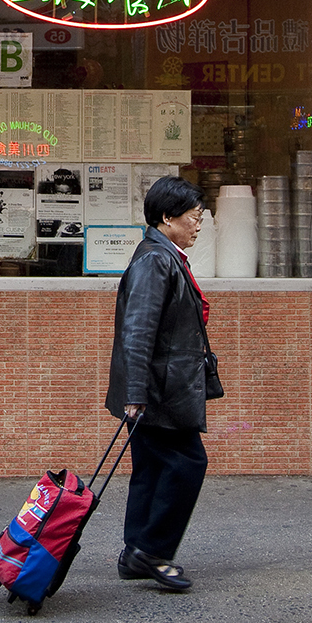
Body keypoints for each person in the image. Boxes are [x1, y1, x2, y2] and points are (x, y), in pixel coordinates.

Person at [105, 175, 214, 592]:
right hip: (159, 391)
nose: (199, 224)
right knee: (188, 463)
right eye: (193, 216)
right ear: (167, 218)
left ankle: (138, 551)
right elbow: (138, 331)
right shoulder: (155, 260)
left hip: (158, 387)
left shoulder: (162, 254)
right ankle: (151, 550)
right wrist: (136, 394)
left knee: (151, 469)